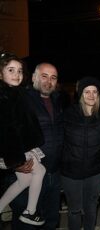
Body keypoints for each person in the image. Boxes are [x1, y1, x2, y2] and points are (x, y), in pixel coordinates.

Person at [6, 62, 64, 229]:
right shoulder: (20, 99)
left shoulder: (57, 100)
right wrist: (13, 163)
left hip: (54, 174)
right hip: (30, 172)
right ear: (33, 78)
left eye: (53, 78)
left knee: (50, 221)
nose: (49, 81)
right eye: (44, 76)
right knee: (26, 225)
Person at [61, 76, 100, 230]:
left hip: (95, 171)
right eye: (87, 92)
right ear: (80, 94)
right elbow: (61, 142)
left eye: (95, 92)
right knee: (75, 210)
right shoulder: (68, 114)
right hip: (71, 173)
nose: (91, 95)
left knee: (91, 208)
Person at [0, 53, 46, 226]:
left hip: (18, 148)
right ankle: (30, 212)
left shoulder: (16, 94)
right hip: (11, 151)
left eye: (19, 70)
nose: (16, 74)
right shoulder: (4, 97)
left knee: (25, 180)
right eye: (10, 70)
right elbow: (6, 131)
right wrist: (15, 160)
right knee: (39, 171)